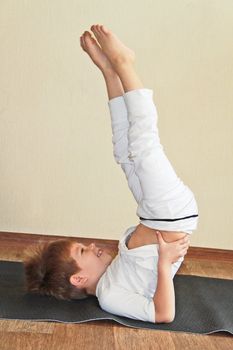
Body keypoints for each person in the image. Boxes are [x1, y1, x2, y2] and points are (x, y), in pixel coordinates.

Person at [23, 24, 199, 324]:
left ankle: (109, 70)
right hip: (170, 214)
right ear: (80, 279)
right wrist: (165, 264)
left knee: (124, 152)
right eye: (82, 250)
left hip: (153, 212)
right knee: (145, 146)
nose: (92, 246)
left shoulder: (111, 280)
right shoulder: (109, 296)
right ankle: (124, 64)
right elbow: (163, 314)